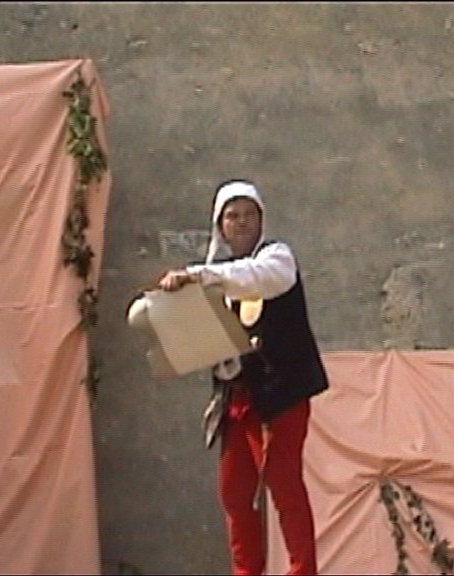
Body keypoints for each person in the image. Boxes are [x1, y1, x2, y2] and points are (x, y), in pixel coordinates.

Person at [158, 179, 329, 575]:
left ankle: (304, 571)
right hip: (241, 399)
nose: (241, 223)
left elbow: (259, 278)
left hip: (282, 395)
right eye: (232, 216)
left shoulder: (276, 259)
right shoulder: (219, 281)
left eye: (248, 214)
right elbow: (219, 344)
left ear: (261, 219)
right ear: (220, 225)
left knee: (284, 484)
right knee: (234, 492)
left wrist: (197, 276)